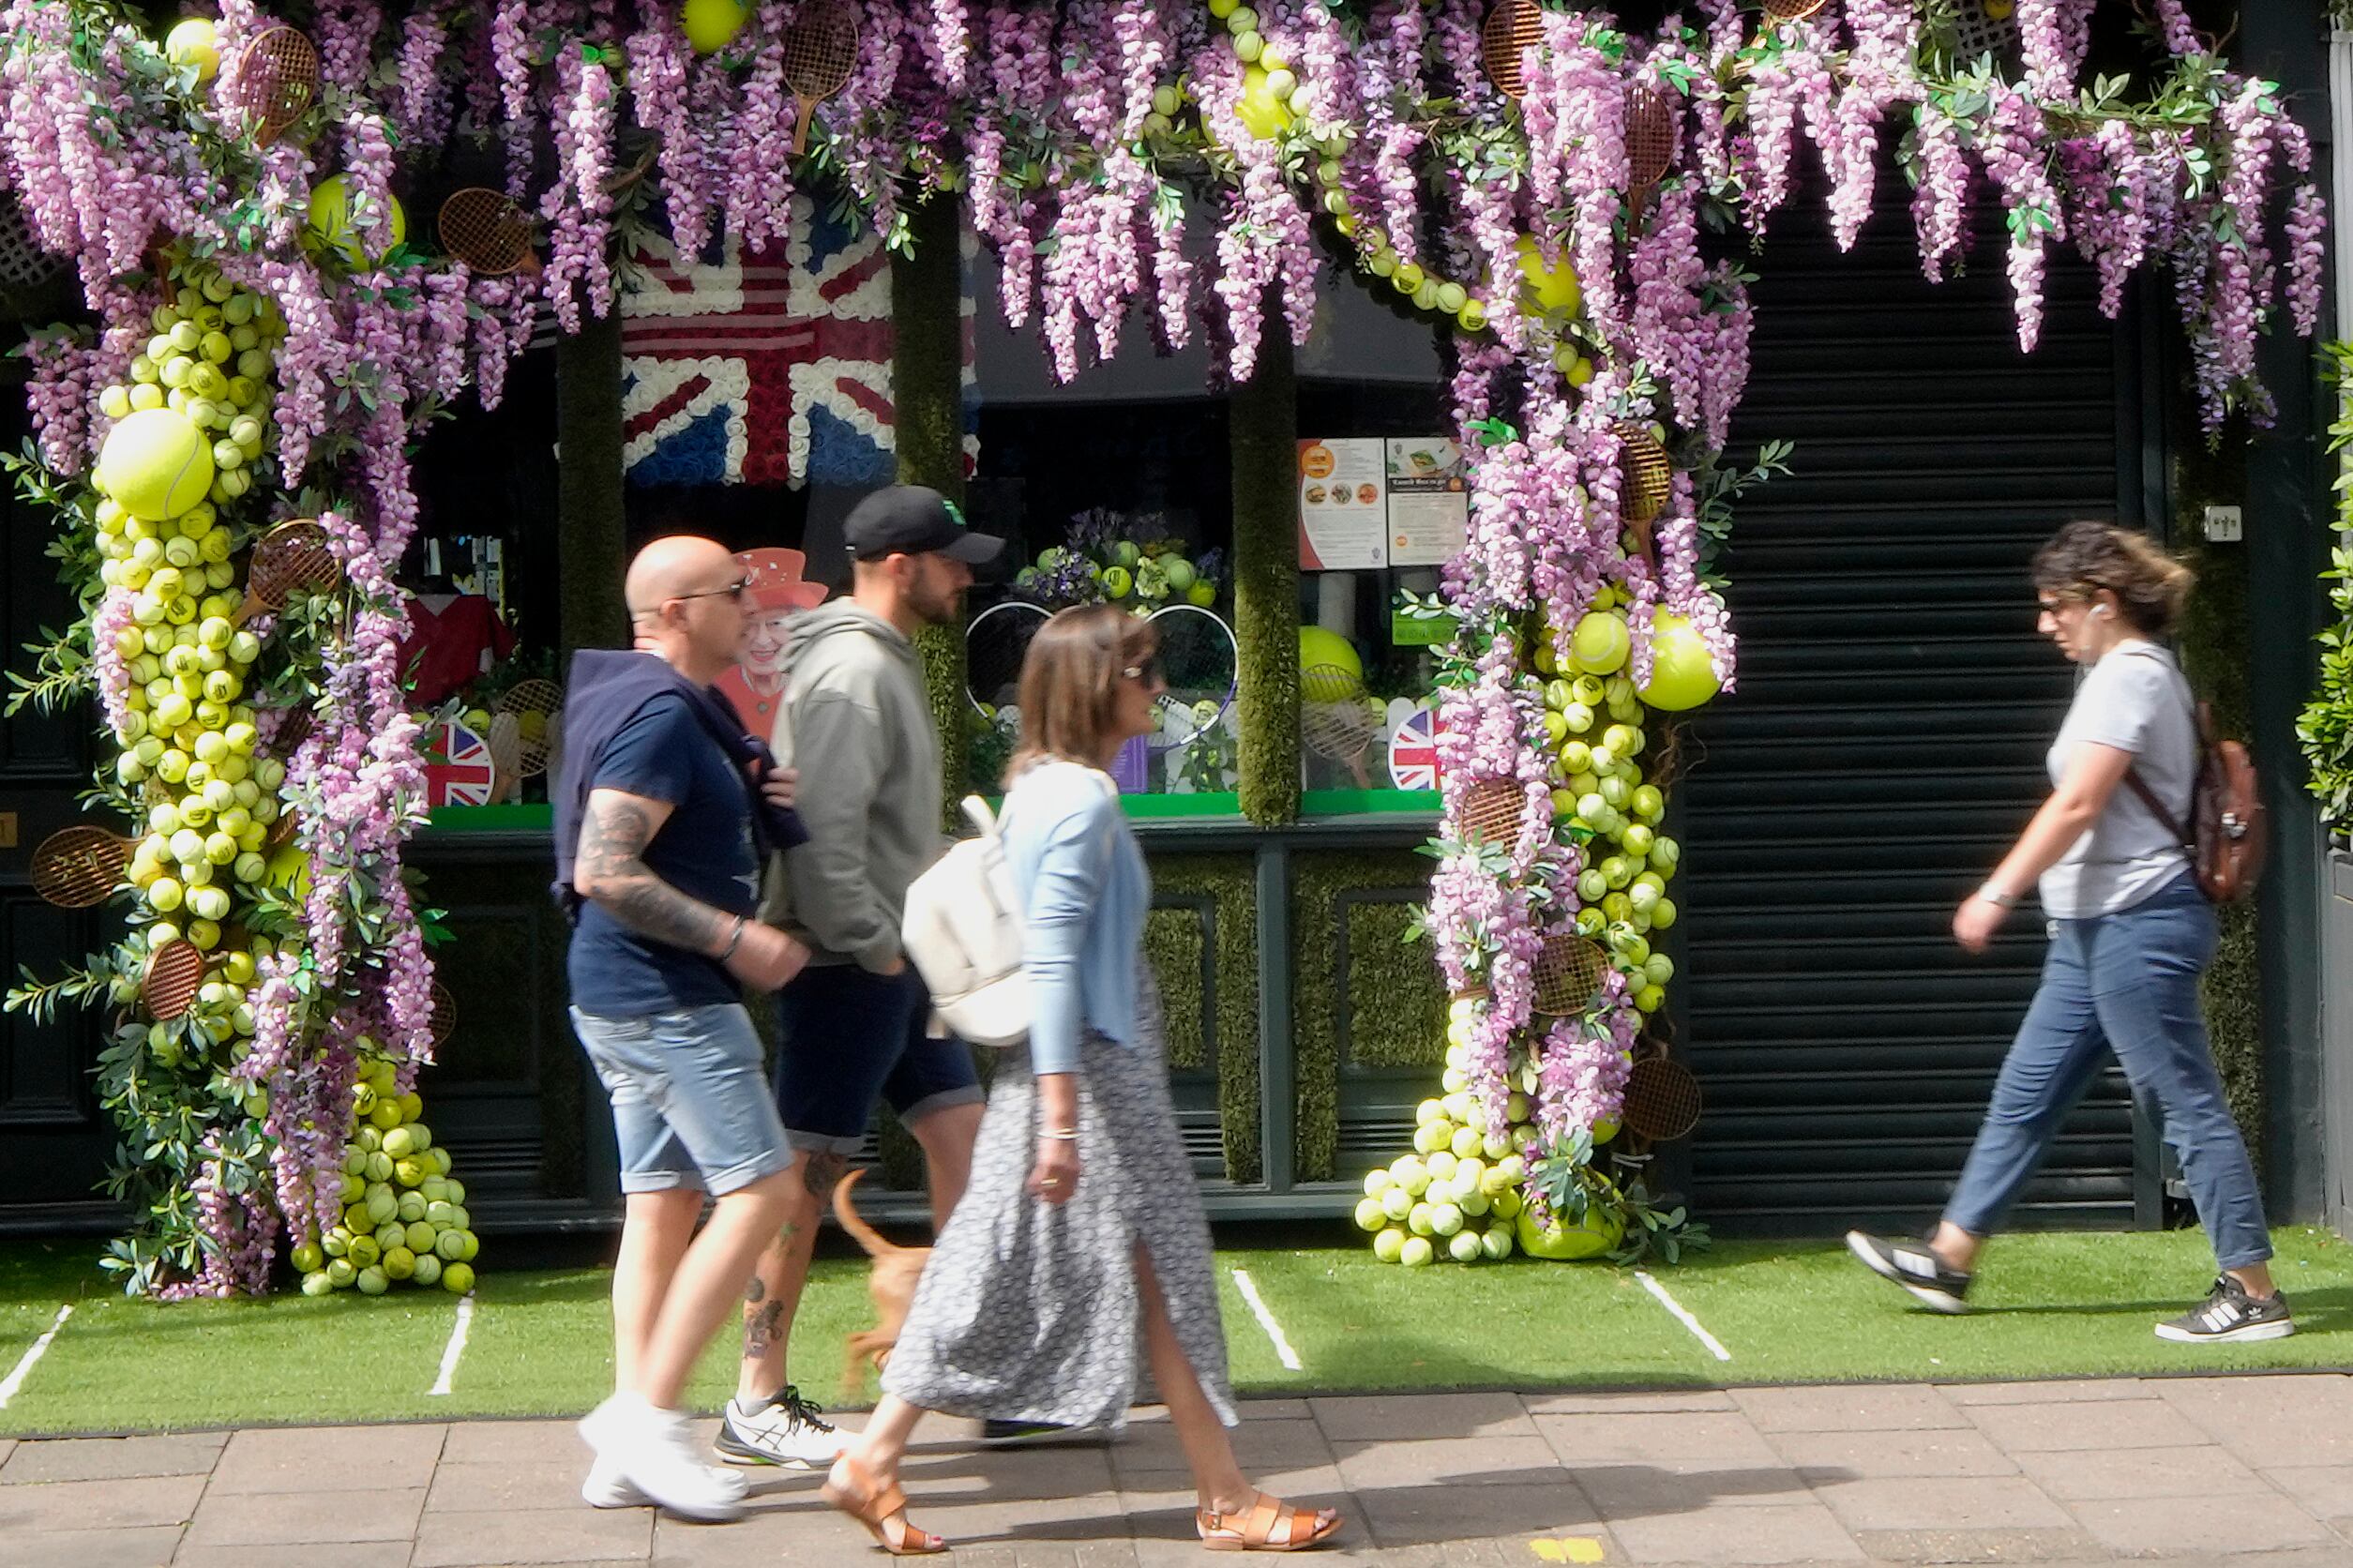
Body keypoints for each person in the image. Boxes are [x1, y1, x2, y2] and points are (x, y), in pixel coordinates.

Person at [819, 605, 1345, 1556]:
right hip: (1095, 1076)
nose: (1160, 690)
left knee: (1086, 1274)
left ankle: (878, 1460)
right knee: (1128, 1279)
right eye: (1144, 673)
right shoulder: (1081, 800)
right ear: (1102, 687)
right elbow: (1055, 957)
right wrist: (1060, 1115)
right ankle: (1222, 1499)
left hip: (1082, 1071)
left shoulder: (1040, 785)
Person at [1847, 520, 2291, 1344]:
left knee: (2183, 1102)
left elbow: (2079, 801)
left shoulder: (2128, 675)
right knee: (2026, 1095)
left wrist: (1995, 890)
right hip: (2092, 930)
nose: (2043, 624)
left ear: (2103, 603)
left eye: (2056, 608)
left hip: (2138, 923)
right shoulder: (2118, 673)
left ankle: (2253, 1292)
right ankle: (1949, 1258)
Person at [718, 486, 1004, 1469]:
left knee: (963, 1140)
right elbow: (824, 837)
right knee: (801, 1178)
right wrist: (875, 943)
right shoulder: (851, 673)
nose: (966, 575)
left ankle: (965, 1363)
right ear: (898, 565)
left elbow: (861, 829)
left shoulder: (874, 662)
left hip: (896, 955)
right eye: (951, 559)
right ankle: (755, 1394)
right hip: (853, 964)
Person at [558, 535, 815, 1522]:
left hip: (629, 993)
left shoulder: (675, 714)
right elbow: (606, 869)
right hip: (665, 994)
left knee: (662, 1201)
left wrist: (751, 796)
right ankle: (652, 1422)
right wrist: (738, 937)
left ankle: (630, 1435)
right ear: (672, 612)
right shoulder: (663, 717)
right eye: (733, 592)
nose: (753, 605)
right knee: (764, 1187)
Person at [715, 546, 828, 735]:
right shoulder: (713, 688)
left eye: (775, 623)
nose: (763, 640)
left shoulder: (818, 690)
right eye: (749, 624)